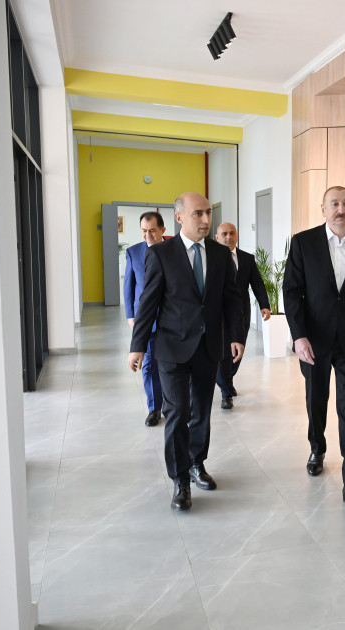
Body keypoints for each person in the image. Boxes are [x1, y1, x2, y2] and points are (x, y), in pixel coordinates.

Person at [128, 192, 245, 511]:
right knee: (178, 411)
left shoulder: (220, 254)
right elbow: (148, 302)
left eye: (208, 213)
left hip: (208, 346)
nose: (206, 219)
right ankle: (180, 481)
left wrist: (236, 335)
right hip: (171, 348)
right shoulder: (161, 254)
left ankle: (196, 463)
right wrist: (138, 346)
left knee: (201, 411)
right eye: (198, 214)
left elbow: (231, 298)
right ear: (179, 217)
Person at [283, 185, 345, 507]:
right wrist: (298, 336)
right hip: (314, 340)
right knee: (316, 399)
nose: (341, 209)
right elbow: (292, 291)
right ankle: (317, 447)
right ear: (323, 209)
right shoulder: (303, 243)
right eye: (335, 204)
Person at [214, 222, 271, 408]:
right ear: (217, 237)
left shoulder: (247, 258)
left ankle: (227, 379)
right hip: (219, 313)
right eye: (224, 234)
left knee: (238, 350)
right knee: (224, 352)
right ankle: (226, 392)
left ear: (237, 236)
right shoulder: (211, 258)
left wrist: (264, 305)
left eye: (232, 233)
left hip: (241, 312)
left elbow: (257, 283)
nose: (228, 237)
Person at [124, 212, 167, 427]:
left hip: (170, 318)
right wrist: (131, 315)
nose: (147, 235)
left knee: (172, 364)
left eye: (151, 230)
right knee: (149, 365)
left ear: (162, 230)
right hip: (146, 319)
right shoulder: (133, 252)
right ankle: (154, 408)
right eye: (143, 230)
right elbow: (129, 285)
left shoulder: (174, 250)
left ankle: (173, 404)